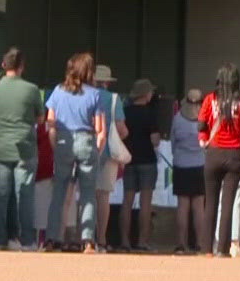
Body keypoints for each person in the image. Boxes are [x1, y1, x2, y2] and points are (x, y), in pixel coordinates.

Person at [0, 48, 43, 251]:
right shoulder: (32, 89)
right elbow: (40, 118)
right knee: (24, 195)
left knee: (0, 194)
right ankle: (27, 240)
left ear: (3, 65)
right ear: (22, 66)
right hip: (25, 146)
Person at [44, 52, 104, 252]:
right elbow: (100, 129)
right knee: (87, 193)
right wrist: (97, 148)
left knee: (59, 192)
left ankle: (52, 238)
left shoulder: (58, 92)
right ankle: (87, 240)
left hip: (63, 139)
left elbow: (50, 123)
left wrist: (55, 145)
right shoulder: (95, 94)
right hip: (86, 140)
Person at [199, 64, 240, 257]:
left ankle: (206, 248)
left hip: (214, 152)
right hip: (235, 154)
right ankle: (222, 249)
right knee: (228, 203)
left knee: (210, 201)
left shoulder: (210, 99)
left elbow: (201, 125)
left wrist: (203, 139)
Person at [120, 79, 163, 251]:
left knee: (127, 201)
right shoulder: (150, 113)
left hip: (129, 160)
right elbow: (155, 140)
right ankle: (142, 241)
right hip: (147, 160)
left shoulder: (125, 112)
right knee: (146, 203)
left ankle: (124, 241)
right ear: (146, 95)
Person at [92, 64, 127, 252]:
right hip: (108, 152)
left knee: (86, 195)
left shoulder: (85, 96)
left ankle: (84, 236)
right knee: (103, 196)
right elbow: (121, 129)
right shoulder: (114, 100)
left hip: (87, 149)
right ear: (106, 82)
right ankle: (102, 238)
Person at [168, 89, 206, 253]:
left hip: (181, 164)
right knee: (199, 206)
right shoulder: (204, 120)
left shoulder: (177, 119)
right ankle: (200, 243)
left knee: (182, 206)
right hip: (200, 164)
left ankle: (181, 243)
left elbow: (172, 142)